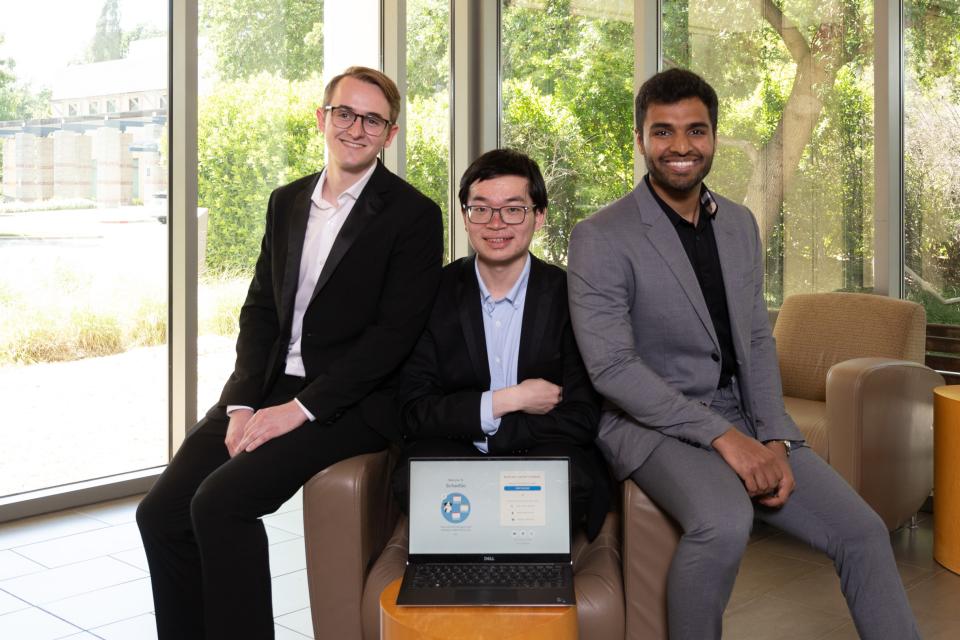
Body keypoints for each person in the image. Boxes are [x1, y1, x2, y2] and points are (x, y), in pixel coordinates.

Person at [566, 68, 919, 639]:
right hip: (650, 423)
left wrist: (774, 437)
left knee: (862, 531)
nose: (681, 146)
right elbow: (613, 369)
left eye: (696, 130)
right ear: (640, 140)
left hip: (745, 413)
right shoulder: (601, 235)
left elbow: (755, 337)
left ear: (713, 136)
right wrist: (727, 439)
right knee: (723, 523)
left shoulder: (737, 222)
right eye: (663, 132)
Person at [136, 66, 443, 640]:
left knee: (220, 505)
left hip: (353, 401)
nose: (356, 128)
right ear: (322, 118)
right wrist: (241, 405)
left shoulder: (413, 216)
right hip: (270, 387)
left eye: (372, 119)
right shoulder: (286, 202)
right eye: (344, 113)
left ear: (390, 134)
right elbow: (259, 313)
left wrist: (299, 410)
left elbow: (391, 339)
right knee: (160, 514)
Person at [394, 148, 609, 539]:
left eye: (513, 209)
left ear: (538, 216)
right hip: (453, 459)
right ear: (464, 216)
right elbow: (414, 411)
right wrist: (510, 400)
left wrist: (491, 438)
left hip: (541, 457)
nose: (496, 224)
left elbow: (581, 416)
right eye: (481, 209)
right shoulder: (431, 293)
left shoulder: (570, 295)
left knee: (567, 484)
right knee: (416, 480)